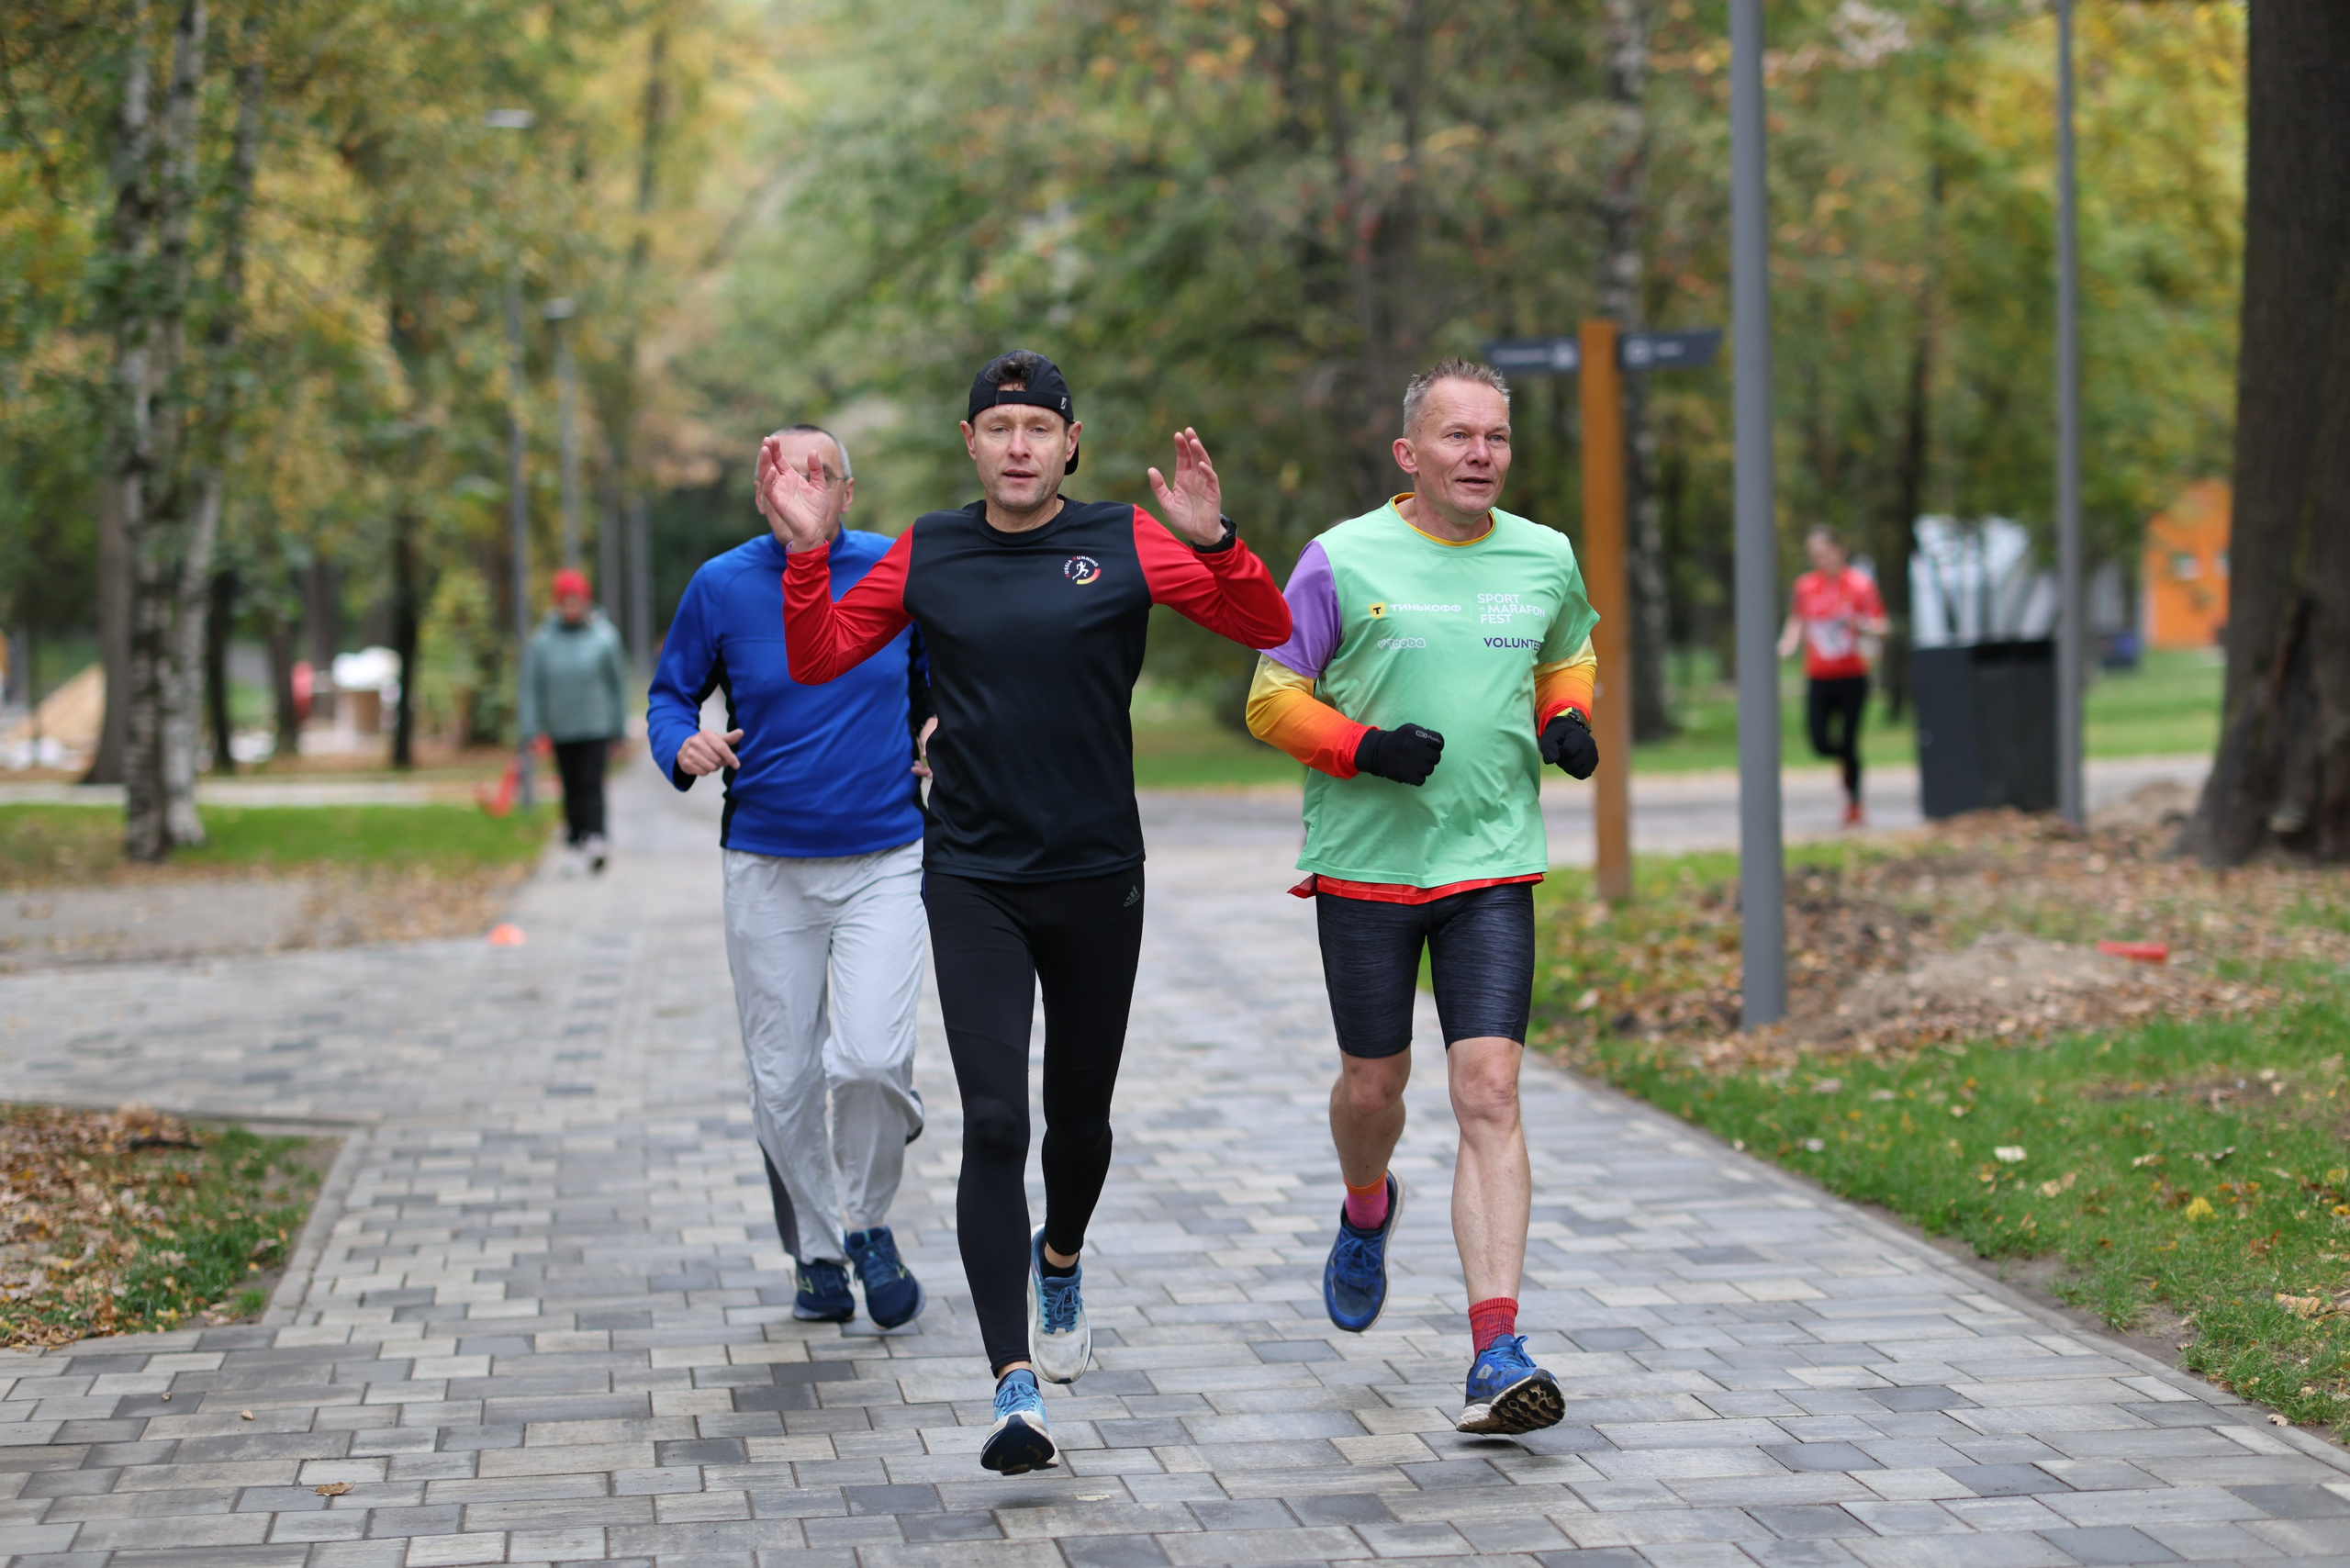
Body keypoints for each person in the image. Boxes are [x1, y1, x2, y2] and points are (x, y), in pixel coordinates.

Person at [758, 351, 1292, 1476]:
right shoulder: (927, 549)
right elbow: (818, 655)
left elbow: (1266, 621)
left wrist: (1213, 538)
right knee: (996, 1122)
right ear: (971, 444)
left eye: (1035, 429)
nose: (1015, 446)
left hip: (1098, 873)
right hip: (973, 876)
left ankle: (1061, 1256)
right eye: (996, 426)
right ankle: (1012, 1387)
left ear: (1069, 443)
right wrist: (810, 555)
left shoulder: (1129, 539)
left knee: (1078, 1122)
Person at [1245, 357, 1599, 1438]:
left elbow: (1566, 648)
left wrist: (1566, 716)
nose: (1479, 455)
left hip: (1490, 861)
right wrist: (1361, 747)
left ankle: (1496, 1347)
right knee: (1373, 1086)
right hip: (1365, 866)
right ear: (1410, 454)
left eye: (1494, 437)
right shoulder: (1341, 559)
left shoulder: (1544, 555)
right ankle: (1365, 1208)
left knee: (1487, 1088)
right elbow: (1269, 698)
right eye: (1457, 437)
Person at [646, 424, 933, 1337]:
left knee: (871, 1061)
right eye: (778, 474)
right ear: (759, 495)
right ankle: (822, 1253)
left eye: (817, 473)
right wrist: (680, 744)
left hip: (884, 854)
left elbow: (937, 689)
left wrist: (937, 736)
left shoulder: (893, 571)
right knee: (783, 1079)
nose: (797, 488)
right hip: (766, 865)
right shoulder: (721, 585)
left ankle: (867, 1217)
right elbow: (668, 694)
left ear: (847, 490)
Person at [1777, 526, 1890, 826]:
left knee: (1850, 742)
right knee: (1820, 741)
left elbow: (1882, 626)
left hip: (1853, 674)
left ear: (1839, 551)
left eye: (1824, 554)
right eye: (1814, 555)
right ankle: (1844, 760)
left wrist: (1861, 626)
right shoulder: (1805, 586)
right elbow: (1797, 620)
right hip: (1819, 675)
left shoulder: (1859, 585)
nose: (1819, 560)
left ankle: (1853, 804)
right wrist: (1786, 644)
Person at [521, 568, 630, 874]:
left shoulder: (604, 637)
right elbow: (532, 686)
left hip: (596, 725)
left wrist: (619, 729)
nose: (571, 607)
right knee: (569, 788)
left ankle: (596, 838)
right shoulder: (542, 642)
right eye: (565, 601)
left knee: (591, 783)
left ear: (585, 601)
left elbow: (617, 685)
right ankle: (574, 843)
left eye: (575, 601)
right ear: (557, 603)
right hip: (561, 727)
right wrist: (530, 728)